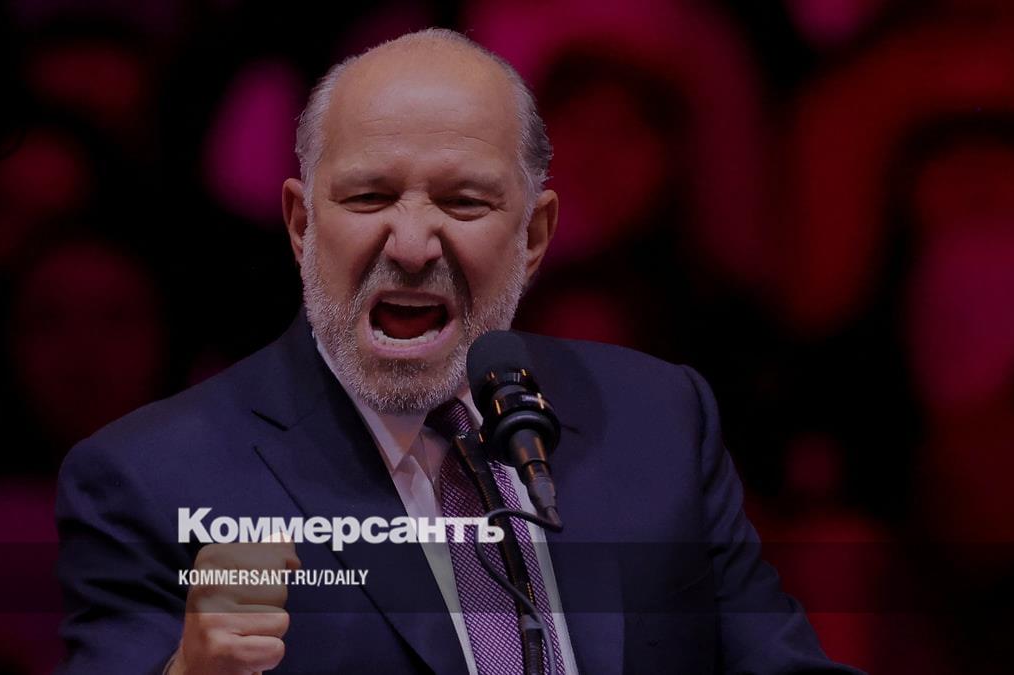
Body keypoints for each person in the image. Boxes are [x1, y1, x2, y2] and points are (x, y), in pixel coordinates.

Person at [56, 28, 858, 674]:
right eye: (369, 196)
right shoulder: (152, 477)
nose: (411, 244)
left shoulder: (659, 418)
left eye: (463, 201)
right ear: (301, 225)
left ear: (533, 236)